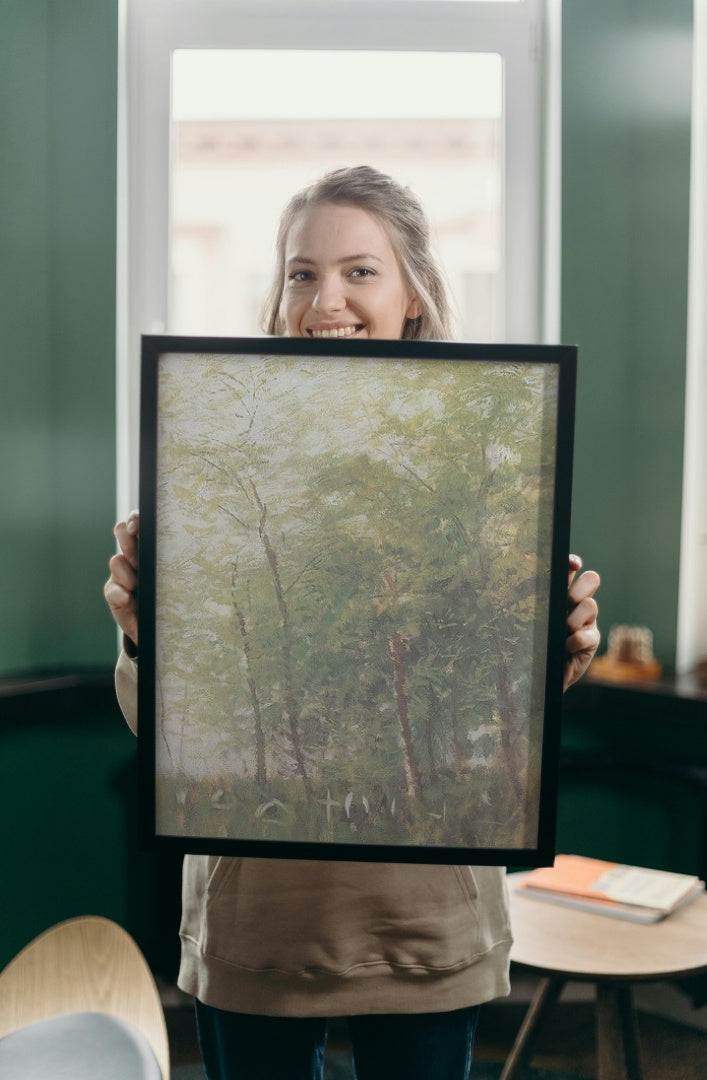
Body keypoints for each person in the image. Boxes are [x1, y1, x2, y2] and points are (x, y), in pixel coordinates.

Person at [105, 166, 601, 1080]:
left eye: (359, 271)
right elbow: (171, 731)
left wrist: (554, 651)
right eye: (301, 272)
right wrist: (145, 638)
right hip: (257, 924)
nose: (324, 298)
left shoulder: (490, 459)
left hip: (424, 922)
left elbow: (494, 721)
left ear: (412, 292)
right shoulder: (212, 452)